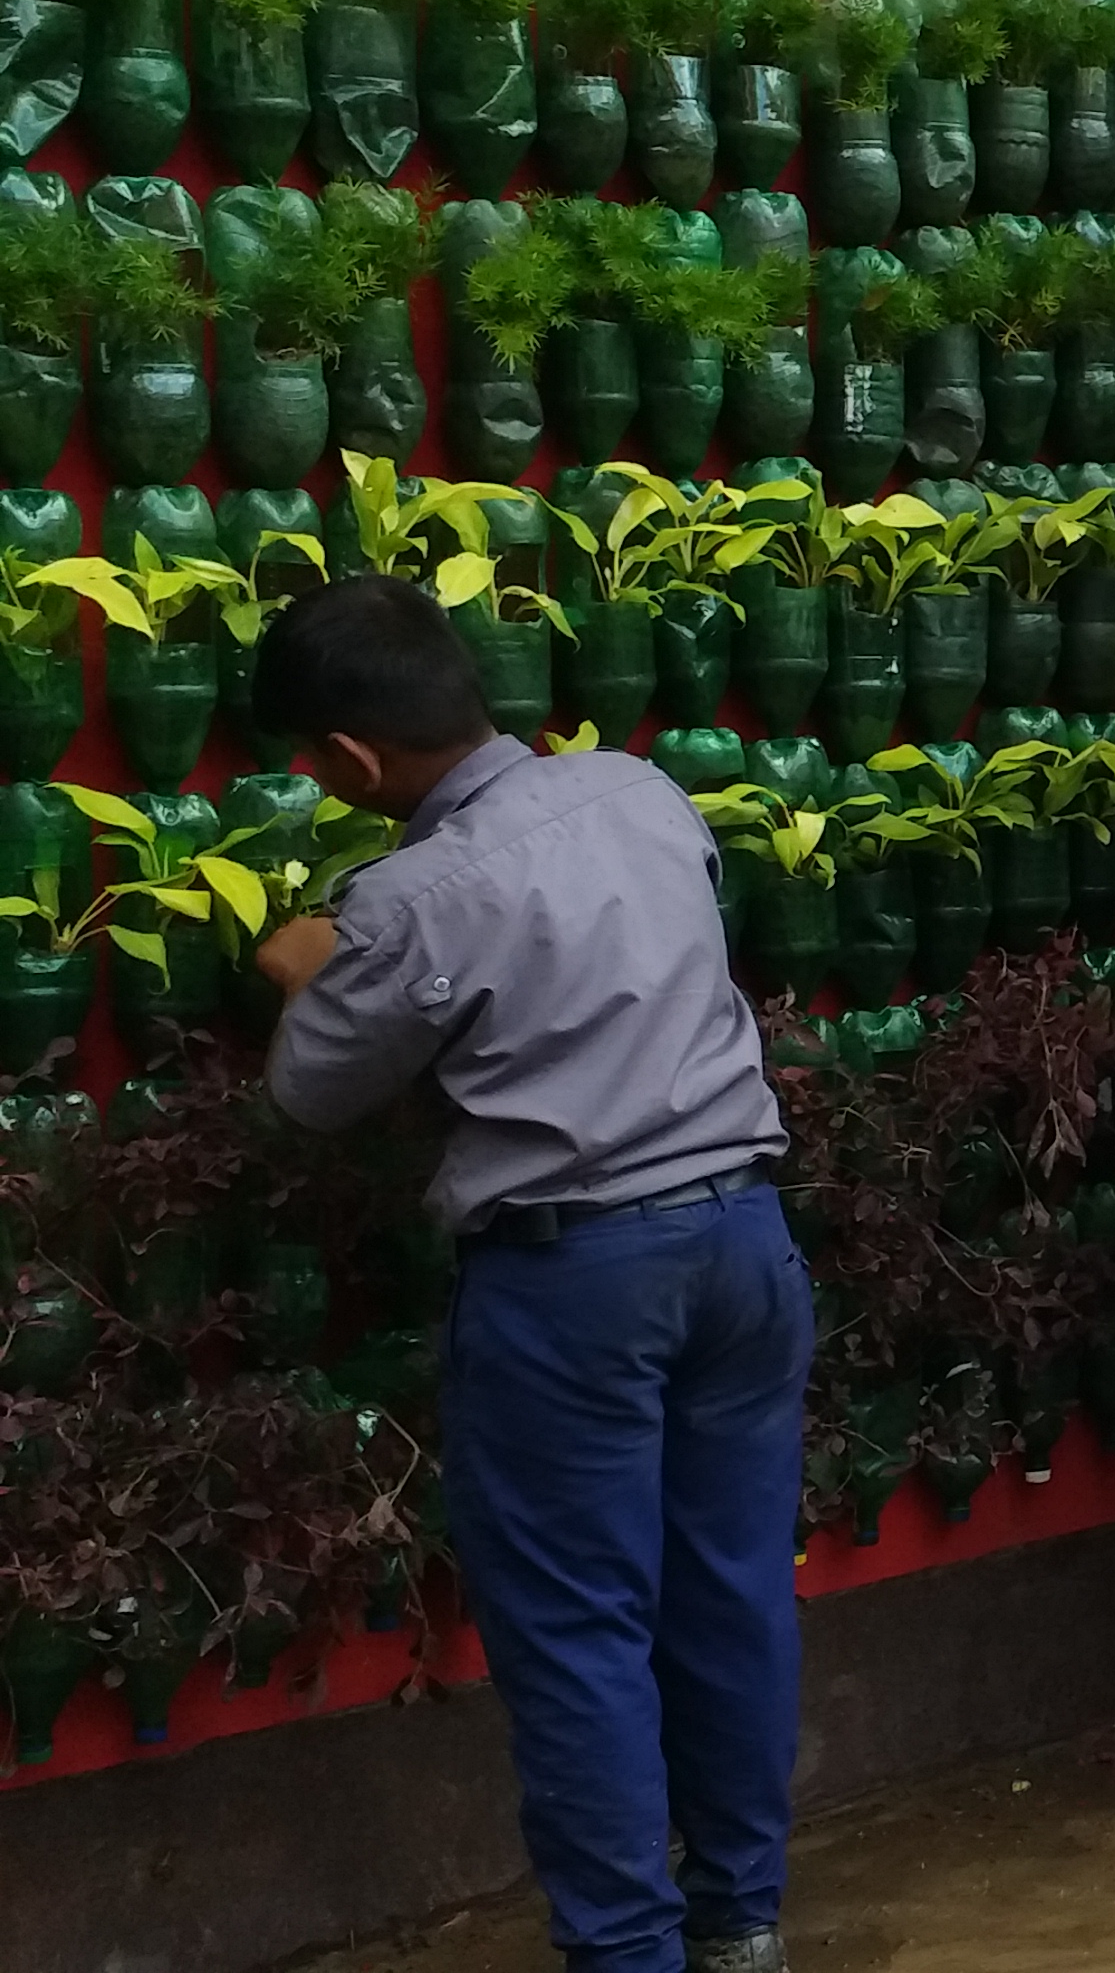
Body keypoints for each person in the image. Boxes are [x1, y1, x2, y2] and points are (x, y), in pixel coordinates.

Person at [247, 576, 810, 1973]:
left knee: (577, 1633)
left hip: (578, 1279)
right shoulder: (640, 792)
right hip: (744, 1241)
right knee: (732, 1589)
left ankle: (626, 1953)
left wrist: (307, 961)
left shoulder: (417, 896)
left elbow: (313, 1093)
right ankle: (740, 1923)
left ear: (350, 764)